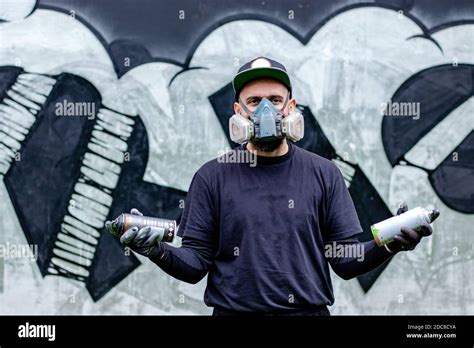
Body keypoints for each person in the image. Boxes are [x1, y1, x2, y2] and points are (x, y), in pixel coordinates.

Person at [106, 57, 432, 316]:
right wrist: (156, 250)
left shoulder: (324, 174)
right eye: (255, 100)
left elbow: (346, 262)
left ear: (291, 108)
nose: (266, 110)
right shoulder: (211, 177)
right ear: (238, 111)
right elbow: (194, 266)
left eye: (275, 99)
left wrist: (389, 245)